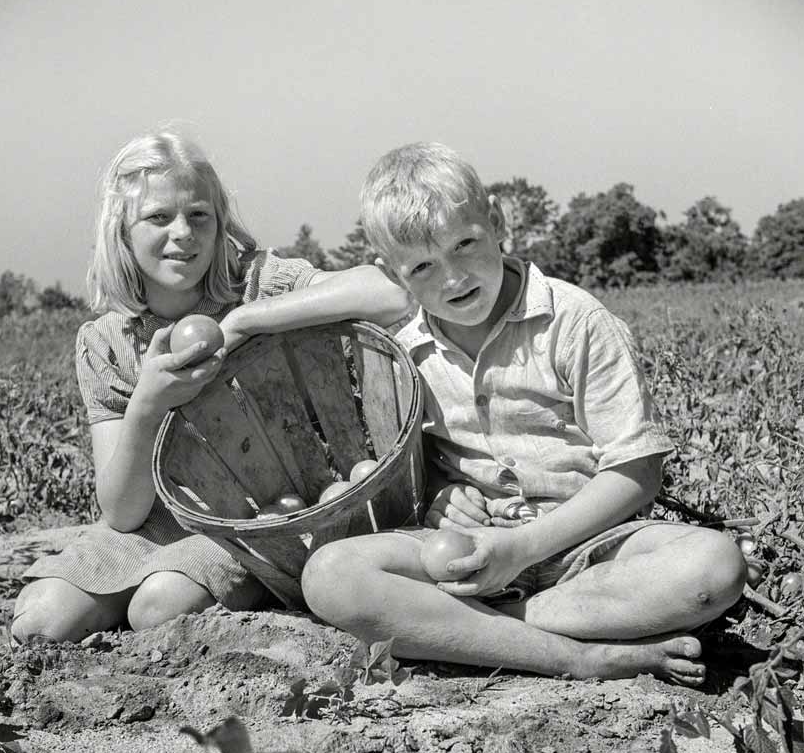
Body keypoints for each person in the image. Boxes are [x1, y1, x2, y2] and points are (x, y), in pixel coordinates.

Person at [301, 142, 747, 685]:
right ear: (393, 276)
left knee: (714, 567)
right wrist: (445, 495)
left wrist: (523, 548)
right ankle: (579, 656)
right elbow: (424, 471)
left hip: (589, 548)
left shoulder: (575, 320)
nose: (453, 278)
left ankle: (487, 630)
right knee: (329, 575)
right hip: (470, 555)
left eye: (465, 244)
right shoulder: (402, 354)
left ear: (497, 221)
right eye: (422, 266)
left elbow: (637, 472)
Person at [12, 131, 410, 644]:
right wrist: (148, 403)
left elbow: (388, 292)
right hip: (161, 523)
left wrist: (247, 320)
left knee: (159, 606)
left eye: (199, 215)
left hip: (265, 519)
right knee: (43, 618)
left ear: (221, 222)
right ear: (121, 231)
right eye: (158, 218)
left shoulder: (262, 282)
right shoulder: (105, 342)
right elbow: (122, 511)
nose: (183, 233)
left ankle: (261, 582)